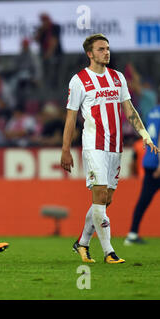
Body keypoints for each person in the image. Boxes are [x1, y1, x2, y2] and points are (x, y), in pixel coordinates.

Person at [61, 33, 159, 264]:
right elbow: (70, 118)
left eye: (107, 48)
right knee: (100, 195)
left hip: (115, 147)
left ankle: (82, 243)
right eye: (101, 49)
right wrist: (65, 148)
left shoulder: (118, 78)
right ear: (90, 53)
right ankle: (108, 252)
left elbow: (129, 110)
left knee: (106, 200)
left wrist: (144, 134)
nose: (106, 52)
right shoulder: (79, 81)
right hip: (93, 145)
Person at [125, 105, 160, 245]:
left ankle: (132, 233)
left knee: (143, 200)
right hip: (156, 162)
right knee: (144, 200)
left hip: (149, 160)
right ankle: (132, 234)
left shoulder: (153, 111)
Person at [34, 13, 63, 90]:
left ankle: (55, 88)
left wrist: (49, 53)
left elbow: (54, 41)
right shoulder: (41, 29)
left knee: (55, 72)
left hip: (55, 53)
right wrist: (41, 31)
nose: (44, 22)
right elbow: (36, 39)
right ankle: (45, 87)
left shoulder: (55, 27)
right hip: (44, 54)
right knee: (44, 72)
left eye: (45, 20)